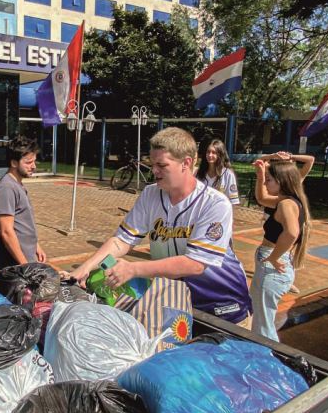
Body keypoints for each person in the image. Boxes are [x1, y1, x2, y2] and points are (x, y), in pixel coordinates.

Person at [72, 127, 252, 324]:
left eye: (161, 165)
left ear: (186, 163)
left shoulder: (215, 203)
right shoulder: (151, 194)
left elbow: (195, 264)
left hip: (222, 306)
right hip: (175, 302)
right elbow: (122, 240)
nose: (154, 170)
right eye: (152, 164)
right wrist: (85, 268)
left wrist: (134, 269)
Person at [250, 152, 314, 341]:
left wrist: (273, 257)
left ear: (281, 181)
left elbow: (292, 233)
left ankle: (265, 360)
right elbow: (262, 198)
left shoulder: (286, 204)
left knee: (264, 327)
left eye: (269, 180)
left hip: (272, 265)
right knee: (262, 319)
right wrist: (261, 175)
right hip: (273, 264)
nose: (266, 184)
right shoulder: (286, 200)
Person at [0, 136, 47, 269]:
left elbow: (23, 223)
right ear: (14, 163)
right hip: (16, 265)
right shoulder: (6, 188)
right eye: (28, 162)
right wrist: (25, 266)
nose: (33, 166)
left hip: (26, 260)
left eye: (34, 161)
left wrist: (36, 246)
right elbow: (6, 231)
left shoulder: (17, 184)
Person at [196, 138, 240, 207]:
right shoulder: (199, 173)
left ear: (220, 155)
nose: (210, 155)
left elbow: (233, 202)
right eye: (208, 152)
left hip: (219, 215)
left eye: (214, 152)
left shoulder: (228, 174)